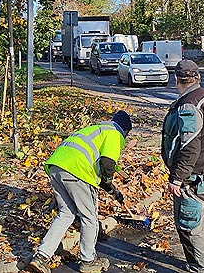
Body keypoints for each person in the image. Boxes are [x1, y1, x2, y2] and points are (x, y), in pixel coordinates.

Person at [28, 111, 134, 273]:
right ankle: (88, 260)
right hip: (78, 171)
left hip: (57, 166)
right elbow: (107, 164)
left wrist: (114, 192)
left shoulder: (98, 129)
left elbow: (103, 166)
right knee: (89, 218)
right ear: (126, 131)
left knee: (66, 214)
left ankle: (41, 257)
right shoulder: (116, 133)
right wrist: (109, 184)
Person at [162, 60, 204, 273]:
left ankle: (200, 268)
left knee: (189, 227)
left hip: (192, 178)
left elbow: (189, 144)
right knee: (200, 220)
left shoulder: (189, 105)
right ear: (197, 77)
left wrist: (177, 178)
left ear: (176, 78)